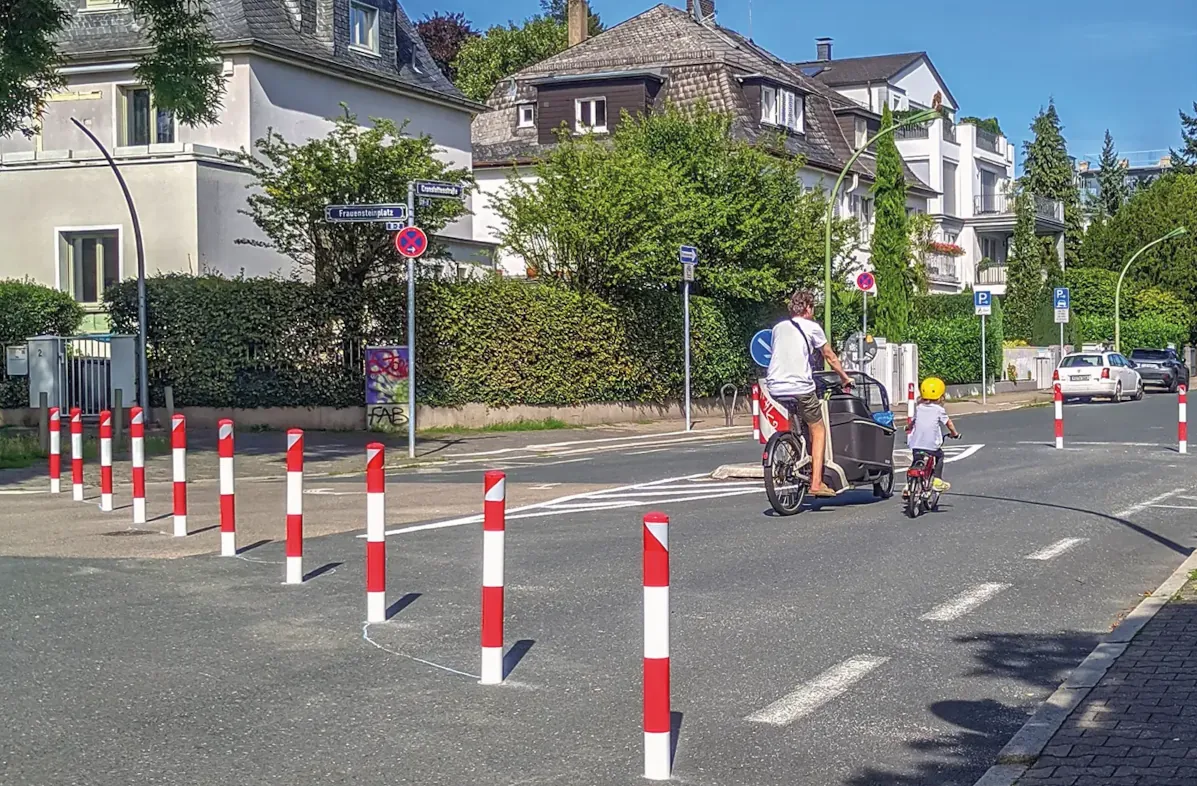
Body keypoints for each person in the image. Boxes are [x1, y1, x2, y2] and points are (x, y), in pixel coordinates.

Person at [765, 289, 854, 498]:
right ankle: (816, 482)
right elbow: (829, 356)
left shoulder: (778, 328)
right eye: (812, 307)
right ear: (807, 308)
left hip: (775, 386)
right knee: (818, 428)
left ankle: (794, 446)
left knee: (797, 415)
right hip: (800, 386)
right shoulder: (813, 327)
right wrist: (844, 377)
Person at [904, 376, 960, 494]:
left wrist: (908, 428)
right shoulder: (939, 410)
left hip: (916, 444)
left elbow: (912, 422)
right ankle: (937, 481)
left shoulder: (919, 408)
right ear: (941, 396)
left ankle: (908, 487)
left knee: (916, 461)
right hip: (931, 446)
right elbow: (948, 423)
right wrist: (954, 434)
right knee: (940, 456)